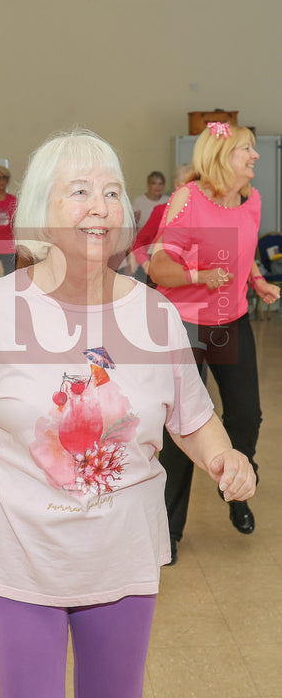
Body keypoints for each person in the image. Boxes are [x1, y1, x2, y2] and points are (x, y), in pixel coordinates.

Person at [0, 129, 255, 698]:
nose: (100, 205)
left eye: (112, 192)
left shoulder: (155, 314)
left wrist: (223, 457)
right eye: (79, 190)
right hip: (17, 552)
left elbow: (192, 416)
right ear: (41, 214)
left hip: (121, 555)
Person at [149, 122, 280, 564]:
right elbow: (158, 268)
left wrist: (258, 282)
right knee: (185, 428)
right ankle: (166, 532)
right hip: (186, 324)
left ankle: (237, 488)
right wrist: (200, 277)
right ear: (222, 155)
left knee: (246, 416)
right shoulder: (189, 198)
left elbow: (242, 258)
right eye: (247, 149)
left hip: (231, 320)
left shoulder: (253, 201)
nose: (255, 156)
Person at [129, 164, 192, 281]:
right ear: (177, 186)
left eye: (196, 183)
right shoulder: (162, 210)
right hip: (168, 279)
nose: (192, 188)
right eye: (186, 183)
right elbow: (139, 242)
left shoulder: (207, 211)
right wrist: (146, 264)